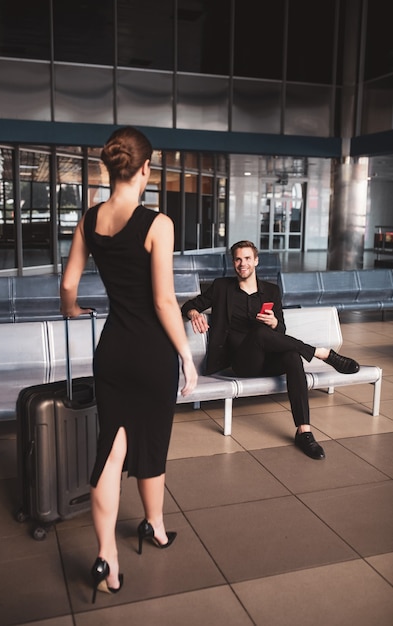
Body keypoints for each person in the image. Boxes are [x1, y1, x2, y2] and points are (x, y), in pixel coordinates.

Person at [60, 126, 198, 603]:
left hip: (114, 350)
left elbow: (68, 283)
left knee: (111, 449)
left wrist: (73, 310)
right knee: (153, 442)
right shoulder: (157, 224)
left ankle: (106, 558)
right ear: (145, 169)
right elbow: (164, 300)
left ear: (108, 167)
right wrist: (186, 356)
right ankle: (155, 526)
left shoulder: (89, 219)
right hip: (153, 352)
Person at [181, 240, 360, 461]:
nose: (242, 263)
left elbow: (281, 332)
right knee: (259, 333)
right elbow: (188, 305)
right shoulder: (221, 287)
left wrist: (275, 323)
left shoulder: (271, 291)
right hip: (241, 363)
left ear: (256, 261)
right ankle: (322, 354)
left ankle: (304, 431)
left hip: (269, 359)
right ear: (233, 262)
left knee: (292, 355)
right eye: (237, 259)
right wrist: (194, 314)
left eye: (247, 258)